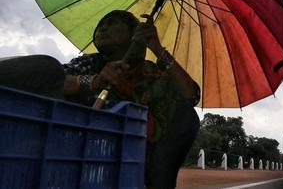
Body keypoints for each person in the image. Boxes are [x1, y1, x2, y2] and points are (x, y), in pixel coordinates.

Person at [0, 10, 200, 189]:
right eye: (101, 25)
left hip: (133, 159)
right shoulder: (90, 62)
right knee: (46, 67)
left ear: (134, 33)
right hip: (73, 150)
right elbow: (54, 79)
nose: (103, 27)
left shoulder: (153, 73)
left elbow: (191, 95)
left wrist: (157, 48)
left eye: (113, 23)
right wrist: (94, 81)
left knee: (187, 116)